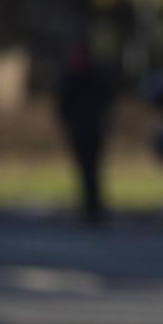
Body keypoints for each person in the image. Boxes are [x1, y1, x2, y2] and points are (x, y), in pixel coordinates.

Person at [57, 42, 116, 226]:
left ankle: (94, 206)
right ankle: (89, 205)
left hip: (93, 128)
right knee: (84, 169)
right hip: (79, 129)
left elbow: (106, 98)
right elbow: (63, 103)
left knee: (92, 168)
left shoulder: (94, 76)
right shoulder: (71, 77)